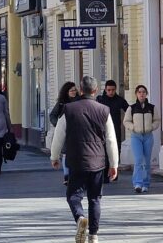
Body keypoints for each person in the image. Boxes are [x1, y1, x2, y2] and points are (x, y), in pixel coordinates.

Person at [50, 76, 118, 243]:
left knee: (73, 196)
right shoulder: (104, 110)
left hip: (76, 159)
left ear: (81, 90)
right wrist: (114, 164)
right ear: (95, 91)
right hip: (97, 162)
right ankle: (93, 235)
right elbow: (111, 139)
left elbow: (59, 135)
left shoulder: (69, 109)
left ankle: (80, 217)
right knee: (95, 199)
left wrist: (54, 156)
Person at [123, 84, 160, 194]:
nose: (141, 94)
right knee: (138, 160)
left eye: (143, 92)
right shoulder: (132, 108)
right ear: (136, 94)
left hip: (148, 136)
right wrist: (133, 127)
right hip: (136, 136)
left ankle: (146, 183)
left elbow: (157, 120)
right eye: (139, 92)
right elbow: (126, 121)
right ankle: (137, 183)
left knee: (146, 161)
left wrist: (151, 127)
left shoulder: (151, 108)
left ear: (146, 94)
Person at [49, 81, 79, 185]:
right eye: (71, 91)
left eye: (75, 90)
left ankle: (74, 174)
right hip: (65, 132)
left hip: (76, 131)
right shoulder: (61, 103)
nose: (74, 92)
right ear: (66, 92)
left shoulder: (79, 101)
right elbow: (52, 115)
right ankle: (66, 176)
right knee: (66, 153)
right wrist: (58, 125)